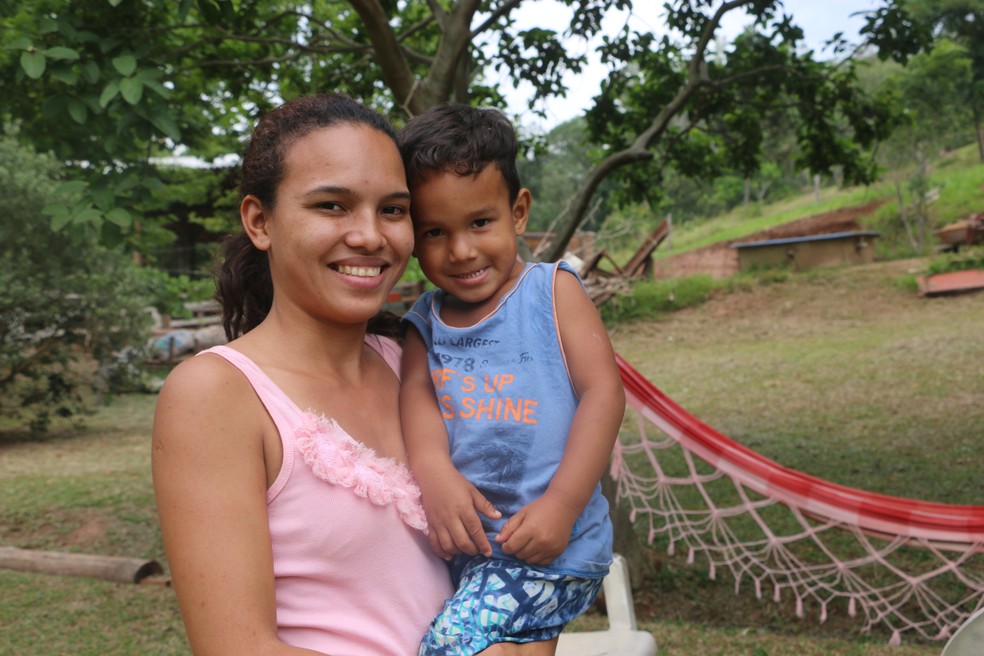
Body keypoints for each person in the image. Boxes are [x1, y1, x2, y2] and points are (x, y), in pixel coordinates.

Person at [152, 93, 453, 656]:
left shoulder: (414, 362)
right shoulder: (219, 394)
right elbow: (236, 648)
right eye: (332, 206)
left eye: (393, 210)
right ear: (259, 221)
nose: (370, 236)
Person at [398, 104, 626, 656]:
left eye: (480, 222)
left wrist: (562, 506)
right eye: (435, 232)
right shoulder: (425, 321)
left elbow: (604, 394)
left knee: (451, 645)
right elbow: (416, 396)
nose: (461, 251)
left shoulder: (552, 292)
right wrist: (434, 472)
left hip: (557, 543)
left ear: (518, 212)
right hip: (477, 552)